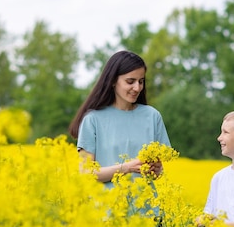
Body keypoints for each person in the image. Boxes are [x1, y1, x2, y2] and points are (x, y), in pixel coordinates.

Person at [68, 50, 171, 189]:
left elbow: (158, 172)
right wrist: (126, 167)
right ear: (112, 81)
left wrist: (157, 170)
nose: (137, 88)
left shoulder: (152, 116)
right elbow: (86, 173)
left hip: (147, 208)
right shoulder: (92, 120)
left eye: (141, 81)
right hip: (109, 208)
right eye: (130, 81)